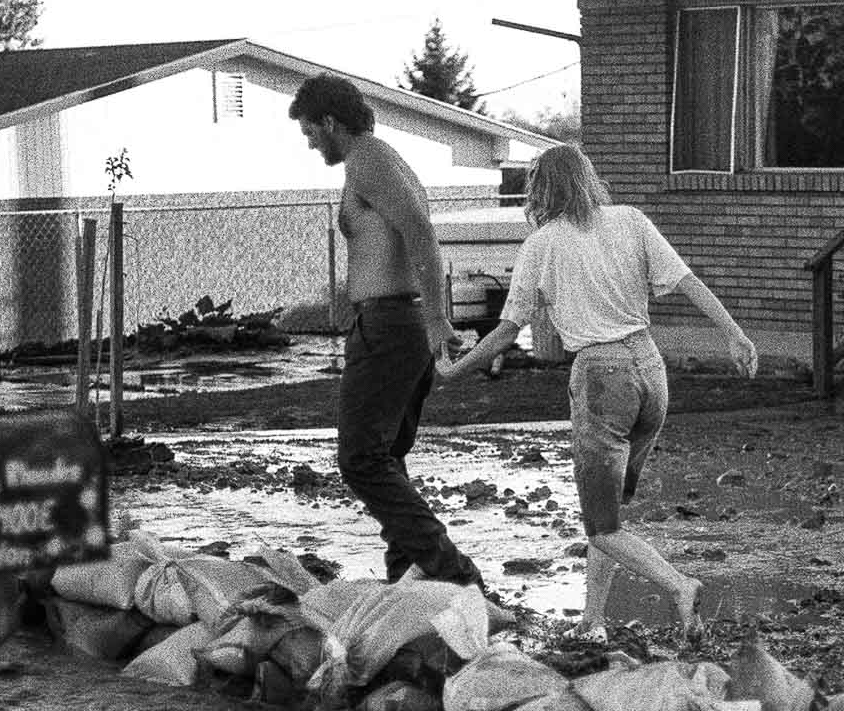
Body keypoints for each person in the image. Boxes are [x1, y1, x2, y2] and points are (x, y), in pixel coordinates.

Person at [435, 143, 758, 637]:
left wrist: (456, 372)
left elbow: (505, 331)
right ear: (588, 179)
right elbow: (687, 281)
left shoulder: (542, 245)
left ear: (540, 191)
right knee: (610, 515)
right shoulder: (629, 219)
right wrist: (734, 333)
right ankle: (592, 620)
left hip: (602, 380)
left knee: (601, 526)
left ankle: (678, 586)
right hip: (651, 372)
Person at [288, 73, 485, 592]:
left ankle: (452, 572)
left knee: (360, 459)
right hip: (395, 323)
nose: (309, 142)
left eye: (310, 130)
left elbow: (420, 232)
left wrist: (439, 318)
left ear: (331, 122)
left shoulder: (368, 160)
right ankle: (408, 575)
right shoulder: (378, 159)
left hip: (392, 326)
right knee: (388, 455)